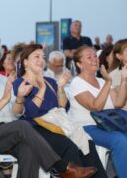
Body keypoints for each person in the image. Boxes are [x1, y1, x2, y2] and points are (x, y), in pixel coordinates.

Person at [0, 45, 97, 178]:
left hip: (10, 132)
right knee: (22, 126)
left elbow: (16, 113)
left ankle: (63, 169)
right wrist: (4, 99)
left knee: (29, 148)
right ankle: (61, 168)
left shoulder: (4, 80)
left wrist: (19, 97)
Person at [13, 44, 107, 178]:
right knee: (68, 146)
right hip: (35, 128)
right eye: (36, 57)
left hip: (56, 124)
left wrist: (61, 87)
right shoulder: (19, 83)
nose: (41, 60)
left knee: (87, 143)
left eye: (43, 57)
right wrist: (42, 87)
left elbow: (63, 107)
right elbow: (31, 113)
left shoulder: (51, 81)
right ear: (26, 62)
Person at [66, 45, 127, 178]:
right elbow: (96, 106)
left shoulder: (100, 81)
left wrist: (124, 81)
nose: (95, 59)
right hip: (87, 128)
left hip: (107, 125)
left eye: (95, 56)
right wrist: (108, 82)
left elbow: (119, 103)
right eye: (89, 57)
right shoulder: (77, 83)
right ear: (79, 64)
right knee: (119, 140)